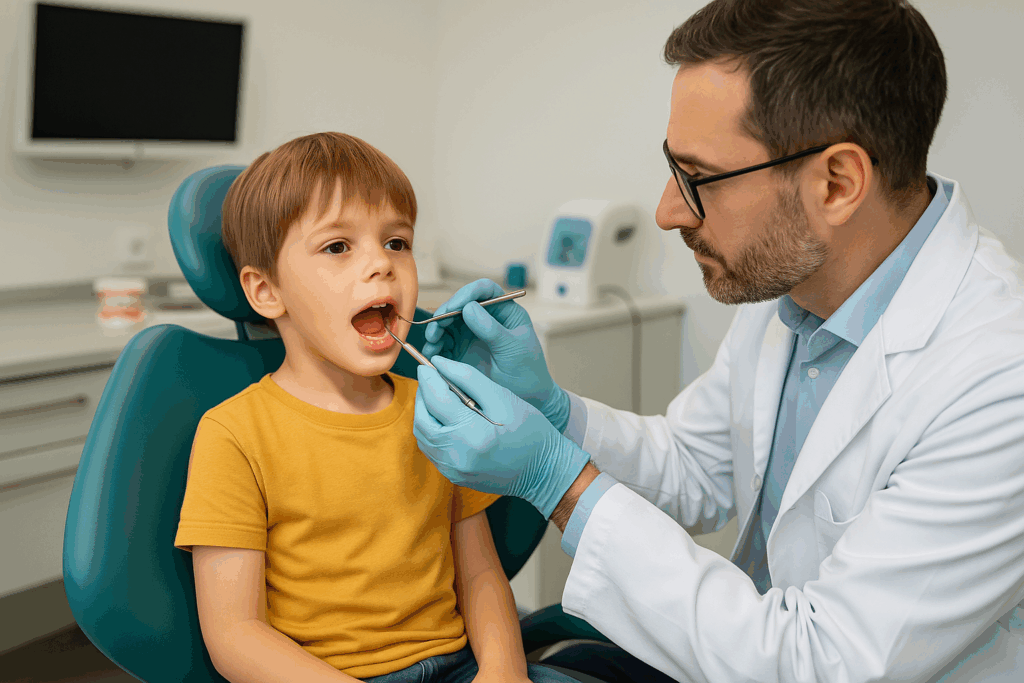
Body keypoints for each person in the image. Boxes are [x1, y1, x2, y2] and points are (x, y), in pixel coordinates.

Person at [411, 1, 1024, 682]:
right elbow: (693, 466)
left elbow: (818, 662)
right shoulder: (798, 283)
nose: (667, 211)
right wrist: (559, 415)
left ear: (837, 183)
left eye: (698, 179)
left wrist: (558, 480)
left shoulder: (998, 377)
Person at [173, 132, 583, 683]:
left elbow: (480, 574)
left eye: (396, 242)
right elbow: (236, 635)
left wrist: (505, 671)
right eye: (338, 247)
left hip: (461, 666)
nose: (382, 265)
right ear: (266, 291)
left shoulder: (439, 412)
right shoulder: (234, 434)